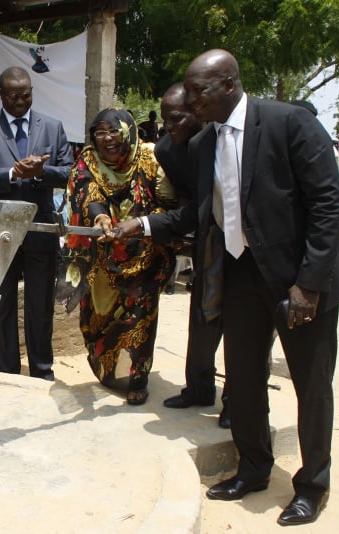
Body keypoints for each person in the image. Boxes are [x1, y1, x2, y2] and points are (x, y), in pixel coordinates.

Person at [118, 49, 339, 526]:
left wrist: (308, 284)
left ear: (228, 84)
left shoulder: (288, 123)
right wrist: (142, 224)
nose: (189, 99)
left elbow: (329, 203)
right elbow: (198, 213)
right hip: (241, 275)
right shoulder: (204, 143)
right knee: (243, 382)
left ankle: (312, 486)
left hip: (300, 279)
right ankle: (253, 468)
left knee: (311, 387)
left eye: (198, 90)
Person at [56, 108, 176, 404]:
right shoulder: (88, 159)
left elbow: (171, 204)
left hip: (145, 254)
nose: (107, 139)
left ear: (129, 131)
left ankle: (138, 377)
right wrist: (100, 219)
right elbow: (87, 190)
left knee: (140, 319)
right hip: (102, 255)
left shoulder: (150, 157)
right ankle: (109, 372)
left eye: (113, 131)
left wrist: (138, 226)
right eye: (100, 133)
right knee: (98, 317)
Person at [0, 66, 73, 381]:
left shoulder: (52, 127)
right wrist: (10, 174)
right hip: (0, 233)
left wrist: (40, 172)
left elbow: (69, 172)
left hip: (41, 231)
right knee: (4, 306)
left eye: (26, 95)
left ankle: (41, 370)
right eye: (14, 96)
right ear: (1, 95)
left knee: (40, 307)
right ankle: (9, 372)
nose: (21, 101)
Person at [141, 84, 231, 427]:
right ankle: (198, 388)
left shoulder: (220, 141)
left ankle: (237, 401)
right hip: (205, 237)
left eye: (177, 119)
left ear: (198, 114)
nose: (169, 127)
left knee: (240, 323)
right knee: (201, 317)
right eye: (165, 120)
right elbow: (186, 203)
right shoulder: (166, 149)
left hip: (240, 238)